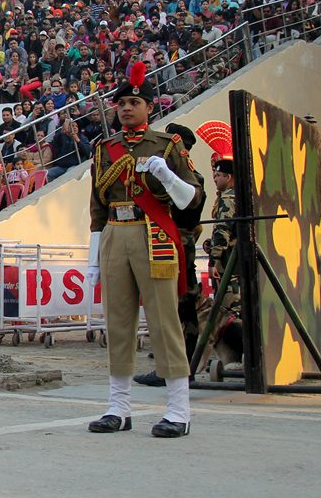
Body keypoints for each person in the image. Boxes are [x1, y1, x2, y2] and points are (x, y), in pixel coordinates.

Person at [86, 62, 202, 438]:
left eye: (134, 102)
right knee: (117, 322)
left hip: (154, 234)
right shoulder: (105, 149)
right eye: (121, 103)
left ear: (149, 107)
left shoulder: (167, 146)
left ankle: (179, 411)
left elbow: (191, 199)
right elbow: (97, 206)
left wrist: (166, 174)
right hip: (115, 233)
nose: (126, 108)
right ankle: (118, 408)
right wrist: (93, 256)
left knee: (164, 322)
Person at [134, 123, 207, 387]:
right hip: (174, 242)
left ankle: (175, 368)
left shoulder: (185, 179)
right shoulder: (185, 176)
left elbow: (183, 211)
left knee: (175, 306)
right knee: (175, 307)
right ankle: (178, 366)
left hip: (175, 244)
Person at [198, 120, 244, 365]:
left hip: (229, 262)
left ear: (229, 176)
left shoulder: (228, 198)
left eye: (218, 175)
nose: (215, 179)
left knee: (227, 309)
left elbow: (223, 230)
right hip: (237, 259)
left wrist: (214, 258)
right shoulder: (237, 196)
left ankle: (231, 356)